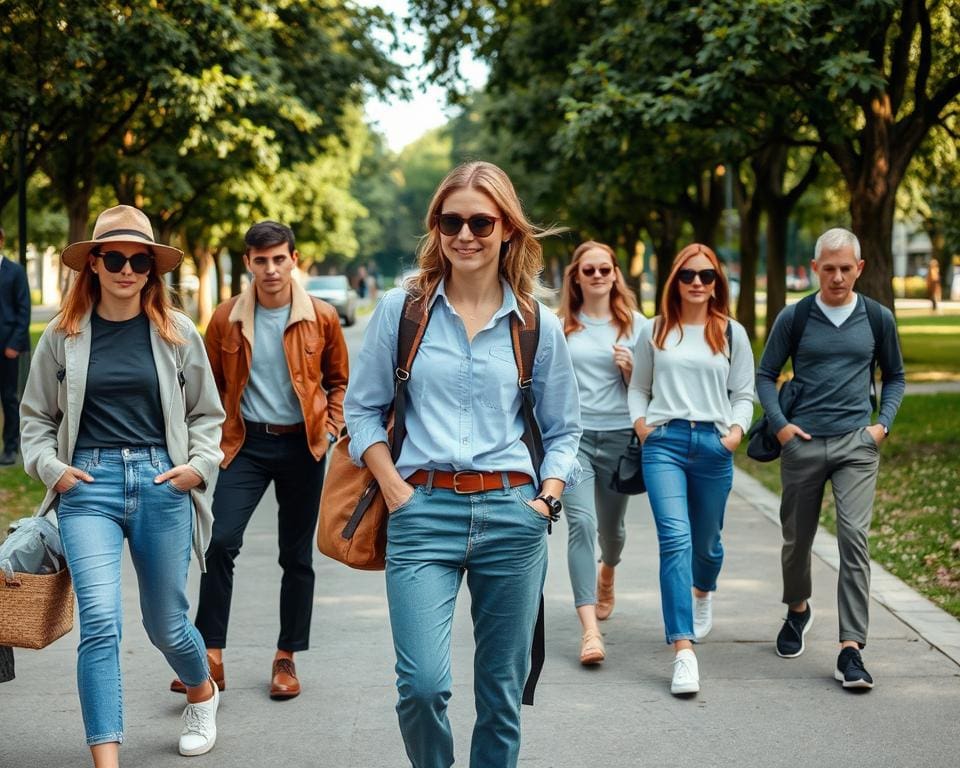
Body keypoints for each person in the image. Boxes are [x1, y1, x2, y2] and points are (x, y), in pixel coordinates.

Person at [344, 160, 582, 768]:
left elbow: (563, 428)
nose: (466, 234)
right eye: (452, 221)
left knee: (501, 694)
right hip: (422, 510)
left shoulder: (536, 323)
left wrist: (546, 500)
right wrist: (394, 488)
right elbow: (362, 411)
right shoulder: (404, 312)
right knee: (422, 686)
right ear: (436, 227)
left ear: (507, 229)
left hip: (513, 514)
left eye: (481, 221)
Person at [19, 205, 225, 764]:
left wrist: (198, 468)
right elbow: (35, 417)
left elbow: (208, 415)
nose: (127, 269)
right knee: (101, 622)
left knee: (165, 624)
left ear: (152, 271)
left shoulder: (177, 332)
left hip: (162, 481)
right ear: (93, 264)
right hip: (88, 486)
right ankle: (106, 758)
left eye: (140, 261)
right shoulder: (63, 336)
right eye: (115, 257)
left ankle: (201, 690)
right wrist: (52, 469)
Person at [170, 221, 349, 700]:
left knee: (295, 555)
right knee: (219, 541)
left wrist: (330, 427)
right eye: (261, 260)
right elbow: (204, 388)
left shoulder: (323, 318)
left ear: (294, 259)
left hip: (303, 446)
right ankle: (210, 654)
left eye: (279, 259)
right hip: (242, 444)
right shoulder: (226, 318)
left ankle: (286, 655)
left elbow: (339, 382)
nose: (270, 269)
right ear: (249, 262)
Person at [757, 227, 905, 690]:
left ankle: (851, 649)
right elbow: (765, 375)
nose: (838, 277)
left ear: (859, 269)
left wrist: (881, 426)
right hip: (802, 443)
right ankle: (798, 609)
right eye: (829, 268)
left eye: (846, 268)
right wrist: (781, 426)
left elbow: (896, 376)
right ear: (816, 268)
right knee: (796, 540)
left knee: (854, 539)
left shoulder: (877, 318)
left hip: (856, 446)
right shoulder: (796, 316)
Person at [628, 244, 754, 696]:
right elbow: (639, 387)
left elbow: (744, 393)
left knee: (708, 543)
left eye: (706, 275)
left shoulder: (732, 333)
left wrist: (735, 433)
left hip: (713, 445)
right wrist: (642, 426)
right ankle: (683, 650)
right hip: (664, 444)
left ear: (717, 281)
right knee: (675, 538)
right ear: (674, 281)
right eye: (688, 275)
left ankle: (703, 590)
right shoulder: (655, 330)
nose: (697, 282)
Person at [556, 240, 648, 665]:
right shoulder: (561, 327)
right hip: (573, 441)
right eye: (588, 270)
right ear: (576, 276)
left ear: (615, 275)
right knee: (581, 523)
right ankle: (590, 631)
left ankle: (607, 569)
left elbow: (651, 392)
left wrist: (631, 372)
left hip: (618, 438)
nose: (596, 276)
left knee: (612, 531)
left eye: (604, 270)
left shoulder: (637, 327)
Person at [0, 226, 31, 465]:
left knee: (9, 398)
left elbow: (24, 311)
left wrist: (14, 344)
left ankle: (11, 447)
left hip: (7, 348)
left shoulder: (15, 272)